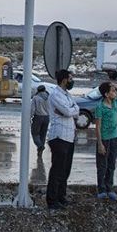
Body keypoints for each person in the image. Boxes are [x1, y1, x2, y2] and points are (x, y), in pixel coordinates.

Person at [46, 69, 80, 210]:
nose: (72, 80)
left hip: (69, 137)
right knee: (57, 170)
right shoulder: (55, 95)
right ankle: (52, 200)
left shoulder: (67, 95)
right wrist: (69, 111)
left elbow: (76, 109)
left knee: (65, 170)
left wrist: (70, 111)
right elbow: (67, 111)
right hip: (59, 136)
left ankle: (61, 197)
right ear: (65, 80)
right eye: (71, 78)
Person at [94, 81, 117, 201]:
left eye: (115, 91)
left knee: (111, 164)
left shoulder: (114, 102)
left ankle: (110, 188)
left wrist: (114, 85)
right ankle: (101, 189)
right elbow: (97, 127)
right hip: (104, 139)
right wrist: (100, 144)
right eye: (113, 91)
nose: (115, 93)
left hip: (115, 138)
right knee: (102, 165)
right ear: (106, 94)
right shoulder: (100, 107)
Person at [30, 85, 50, 157]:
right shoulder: (48, 97)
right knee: (43, 135)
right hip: (47, 118)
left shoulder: (36, 98)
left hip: (38, 117)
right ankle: (40, 152)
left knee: (35, 134)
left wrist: (30, 117)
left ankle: (40, 146)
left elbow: (32, 109)